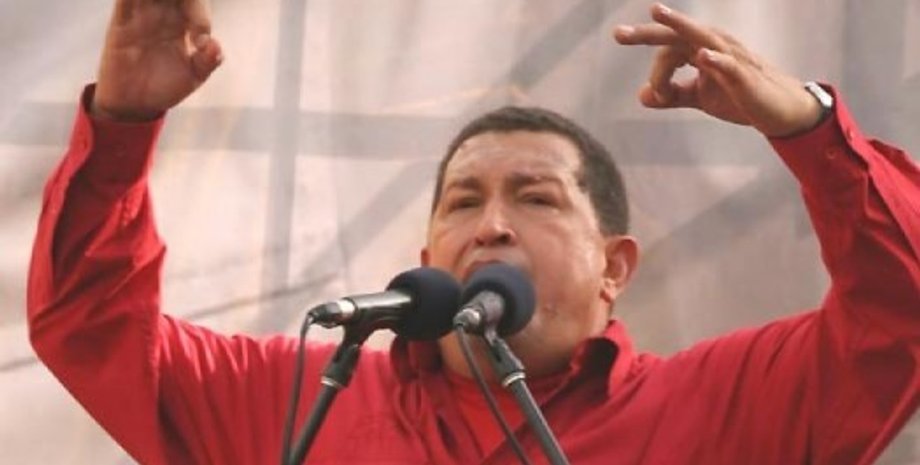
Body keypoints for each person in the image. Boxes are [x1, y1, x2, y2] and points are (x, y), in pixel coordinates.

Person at [27, 0, 920, 464]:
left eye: (536, 198)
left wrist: (809, 127)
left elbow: (902, 313)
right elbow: (92, 328)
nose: (490, 225)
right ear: (425, 263)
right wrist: (122, 124)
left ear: (615, 266)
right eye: (461, 202)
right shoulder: (304, 393)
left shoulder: (724, 403)